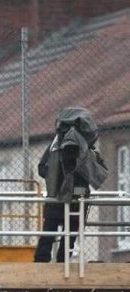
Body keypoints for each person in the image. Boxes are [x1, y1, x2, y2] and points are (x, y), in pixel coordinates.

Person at [33, 106, 108, 263]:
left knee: (49, 234)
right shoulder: (87, 150)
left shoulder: (55, 145)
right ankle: (60, 263)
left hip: (56, 197)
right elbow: (100, 174)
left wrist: (54, 177)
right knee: (69, 236)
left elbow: (42, 168)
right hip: (76, 198)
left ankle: (41, 265)